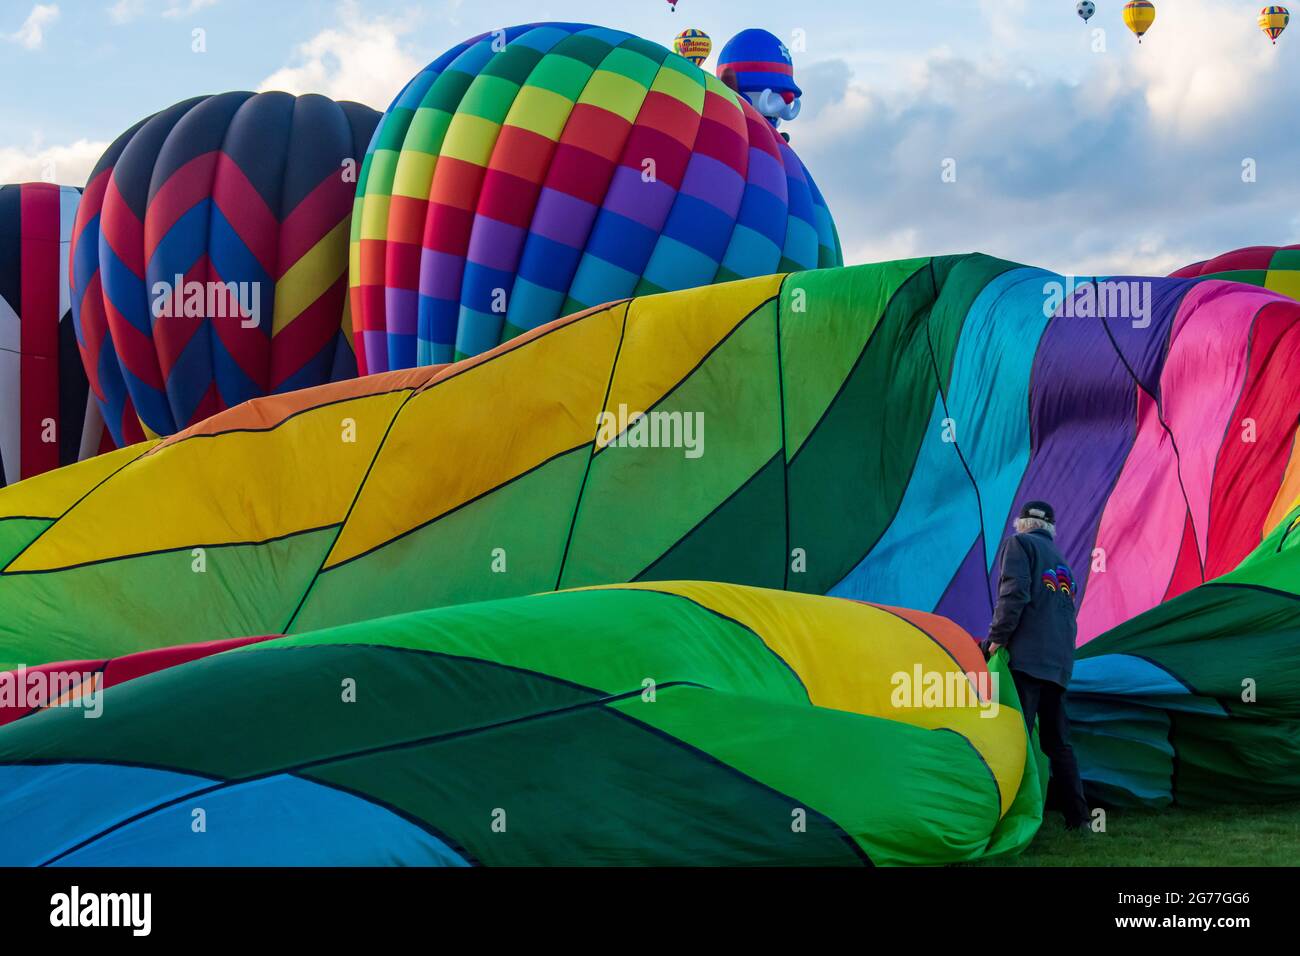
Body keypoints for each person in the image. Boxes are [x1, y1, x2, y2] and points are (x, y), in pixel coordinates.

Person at [987, 501, 1091, 831]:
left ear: (1021, 524)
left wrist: (996, 638)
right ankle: (1080, 820)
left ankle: (1006, 818)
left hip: (1028, 661)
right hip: (1058, 664)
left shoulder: (1019, 544)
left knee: (1014, 737)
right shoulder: (1063, 562)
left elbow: (1013, 593)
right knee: (1057, 743)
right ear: (1051, 528)